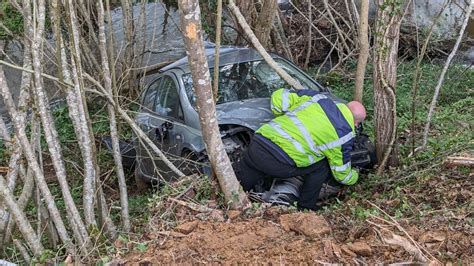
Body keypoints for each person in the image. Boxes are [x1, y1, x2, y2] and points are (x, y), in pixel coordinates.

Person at [236, 88, 366, 210]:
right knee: (322, 166)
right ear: (356, 123)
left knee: (247, 173)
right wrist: (355, 175)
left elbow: (279, 97)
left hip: (259, 142)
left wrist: (282, 113)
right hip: (278, 162)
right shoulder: (344, 135)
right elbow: (341, 174)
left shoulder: (318, 98)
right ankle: (306, 206)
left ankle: (233, 198)